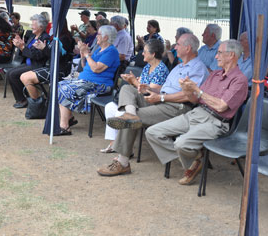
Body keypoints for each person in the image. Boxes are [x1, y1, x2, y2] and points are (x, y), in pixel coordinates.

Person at [96, 32, 208, 177]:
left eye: (178, 44)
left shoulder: (197, 68)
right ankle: (130, 113)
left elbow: (189, 96)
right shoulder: (179, 67)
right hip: (162, 100)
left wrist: (161, 97)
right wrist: (149, 89)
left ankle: (122, 162)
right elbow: (164, 89)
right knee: (127, 88)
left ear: (187, 48)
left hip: (177, 107)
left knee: (132, 119)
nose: (175, 46)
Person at [146, 39, 248, 185]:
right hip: (197, 113)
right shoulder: (215, 75)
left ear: (231, 55)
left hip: (217, 122)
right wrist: (187, 89)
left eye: (219, 53)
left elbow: (221, 106)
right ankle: (194, 160)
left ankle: (190, 158)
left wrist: (197, 91)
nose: (216, 56)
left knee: (181, 143)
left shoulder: (239, 80)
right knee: (152, 132)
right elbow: (195, 100)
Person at [101, 39, 169, 153]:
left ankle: (126, 149)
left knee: (120, 111)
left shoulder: (161, 70)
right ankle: (113, 143)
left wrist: (133, 81)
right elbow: (140, 85)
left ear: (153, 54)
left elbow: (149, 92)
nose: (142, 53)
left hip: (150, 102)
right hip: (137, 99)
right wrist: (132, 80)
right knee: (109, 107)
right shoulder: (148, 66)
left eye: (145, 51)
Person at [56, 25, 120, 136]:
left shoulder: (111, 51)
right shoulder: (99, 50)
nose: (97, 36)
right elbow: (85, 66)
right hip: (86, 80)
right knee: (59, 85)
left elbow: (96, 69)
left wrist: (86, 54)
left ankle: (64, 126)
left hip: (99, 84)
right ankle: (69, 118)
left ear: (106, 37)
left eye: (99, 34)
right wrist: (82, 55)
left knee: (65, 88)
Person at [20, 21, 76, 100]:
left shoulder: (64, 38)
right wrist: (42, 48)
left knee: (25, 77)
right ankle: (39, 102)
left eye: (54, 23)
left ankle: (39, 104)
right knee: (23, 76)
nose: (52, 25)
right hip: (51, 66)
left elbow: (58, 57)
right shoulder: (56, 36)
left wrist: (44, 48)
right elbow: (51, 53)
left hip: (59, 70)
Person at [8, 14, 51, 108]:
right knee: (10, 73)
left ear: (41, 27)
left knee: (13, 74)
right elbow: (25, 52)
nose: (31, 26)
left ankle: (23, 100)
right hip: (28, 62)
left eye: (33, 25)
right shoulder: (32, 36)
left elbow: (38, 56)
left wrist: (22, 47)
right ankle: (22, 98)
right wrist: (21, 45)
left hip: (37, 65)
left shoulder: (45, 38)